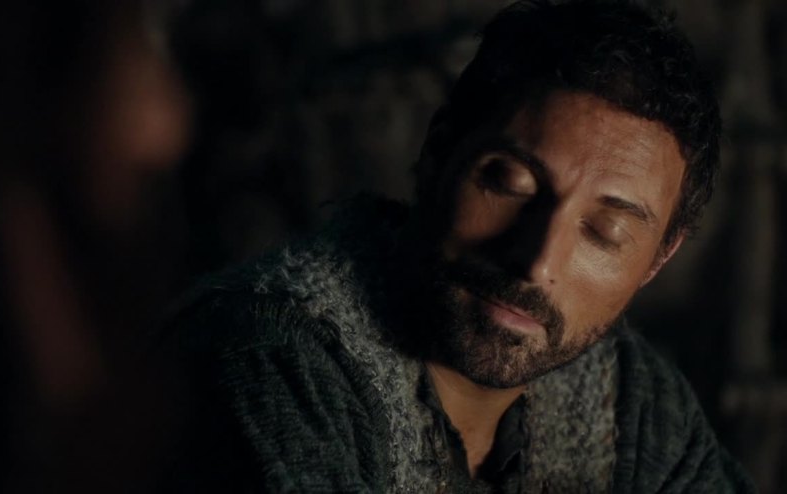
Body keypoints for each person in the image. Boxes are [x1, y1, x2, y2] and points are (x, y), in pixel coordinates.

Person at [162, 1, 755, 492]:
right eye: (510, 183)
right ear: (439, 151)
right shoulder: (273, 361)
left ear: (658, 259)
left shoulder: (629, 403)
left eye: (606, 233)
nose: (537, 261)